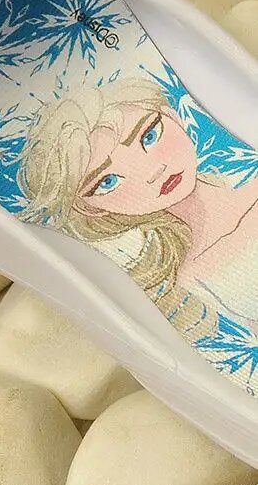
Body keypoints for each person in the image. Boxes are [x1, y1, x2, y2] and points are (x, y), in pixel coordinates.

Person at [20, 78, 258, 337]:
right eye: (108, 181)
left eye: (149, 136)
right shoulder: (190, 277)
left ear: (171, 116)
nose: (153, 172)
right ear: (91, 209)